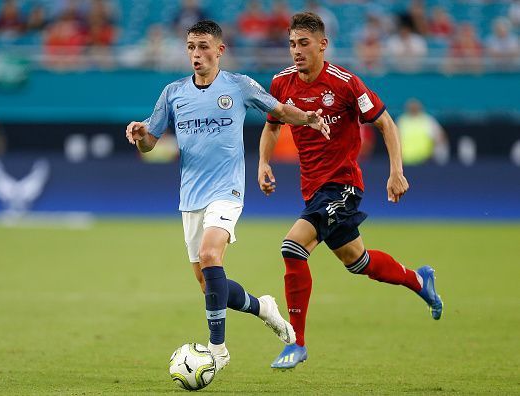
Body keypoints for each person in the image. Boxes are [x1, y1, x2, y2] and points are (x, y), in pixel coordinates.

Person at [125, 20, 330, 373]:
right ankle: (262, 307)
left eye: (204, 46)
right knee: (209, 283)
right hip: (190, 197)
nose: (196, 54)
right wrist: (140, 133)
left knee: (209, 254)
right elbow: (149, 143)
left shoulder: (238, 86)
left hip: (227, 190)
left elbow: (278, 109)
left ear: (220, 50)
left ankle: (217, 349)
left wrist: (308, 119)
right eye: (191, 47)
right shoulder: (173, 93)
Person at [258, 12, 443, 370]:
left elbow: (385, 122)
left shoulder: (344, 83)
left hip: (342, 186)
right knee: (357, 261)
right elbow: (271, 125)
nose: (296, 51)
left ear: (322, 45)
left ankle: (297, 343)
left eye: (304, 43)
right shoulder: (281, 83)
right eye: (292, 44)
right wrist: (264, 164)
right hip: (312, 190)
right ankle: (419, 280)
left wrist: (396, 172)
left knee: (292, 246)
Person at [397, 98, 449, 165]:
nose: (413, 108)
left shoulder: (428, 120)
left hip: (424, 162)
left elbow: (440, 137)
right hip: (405, 162)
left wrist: (436, 154)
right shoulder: (401, 121)